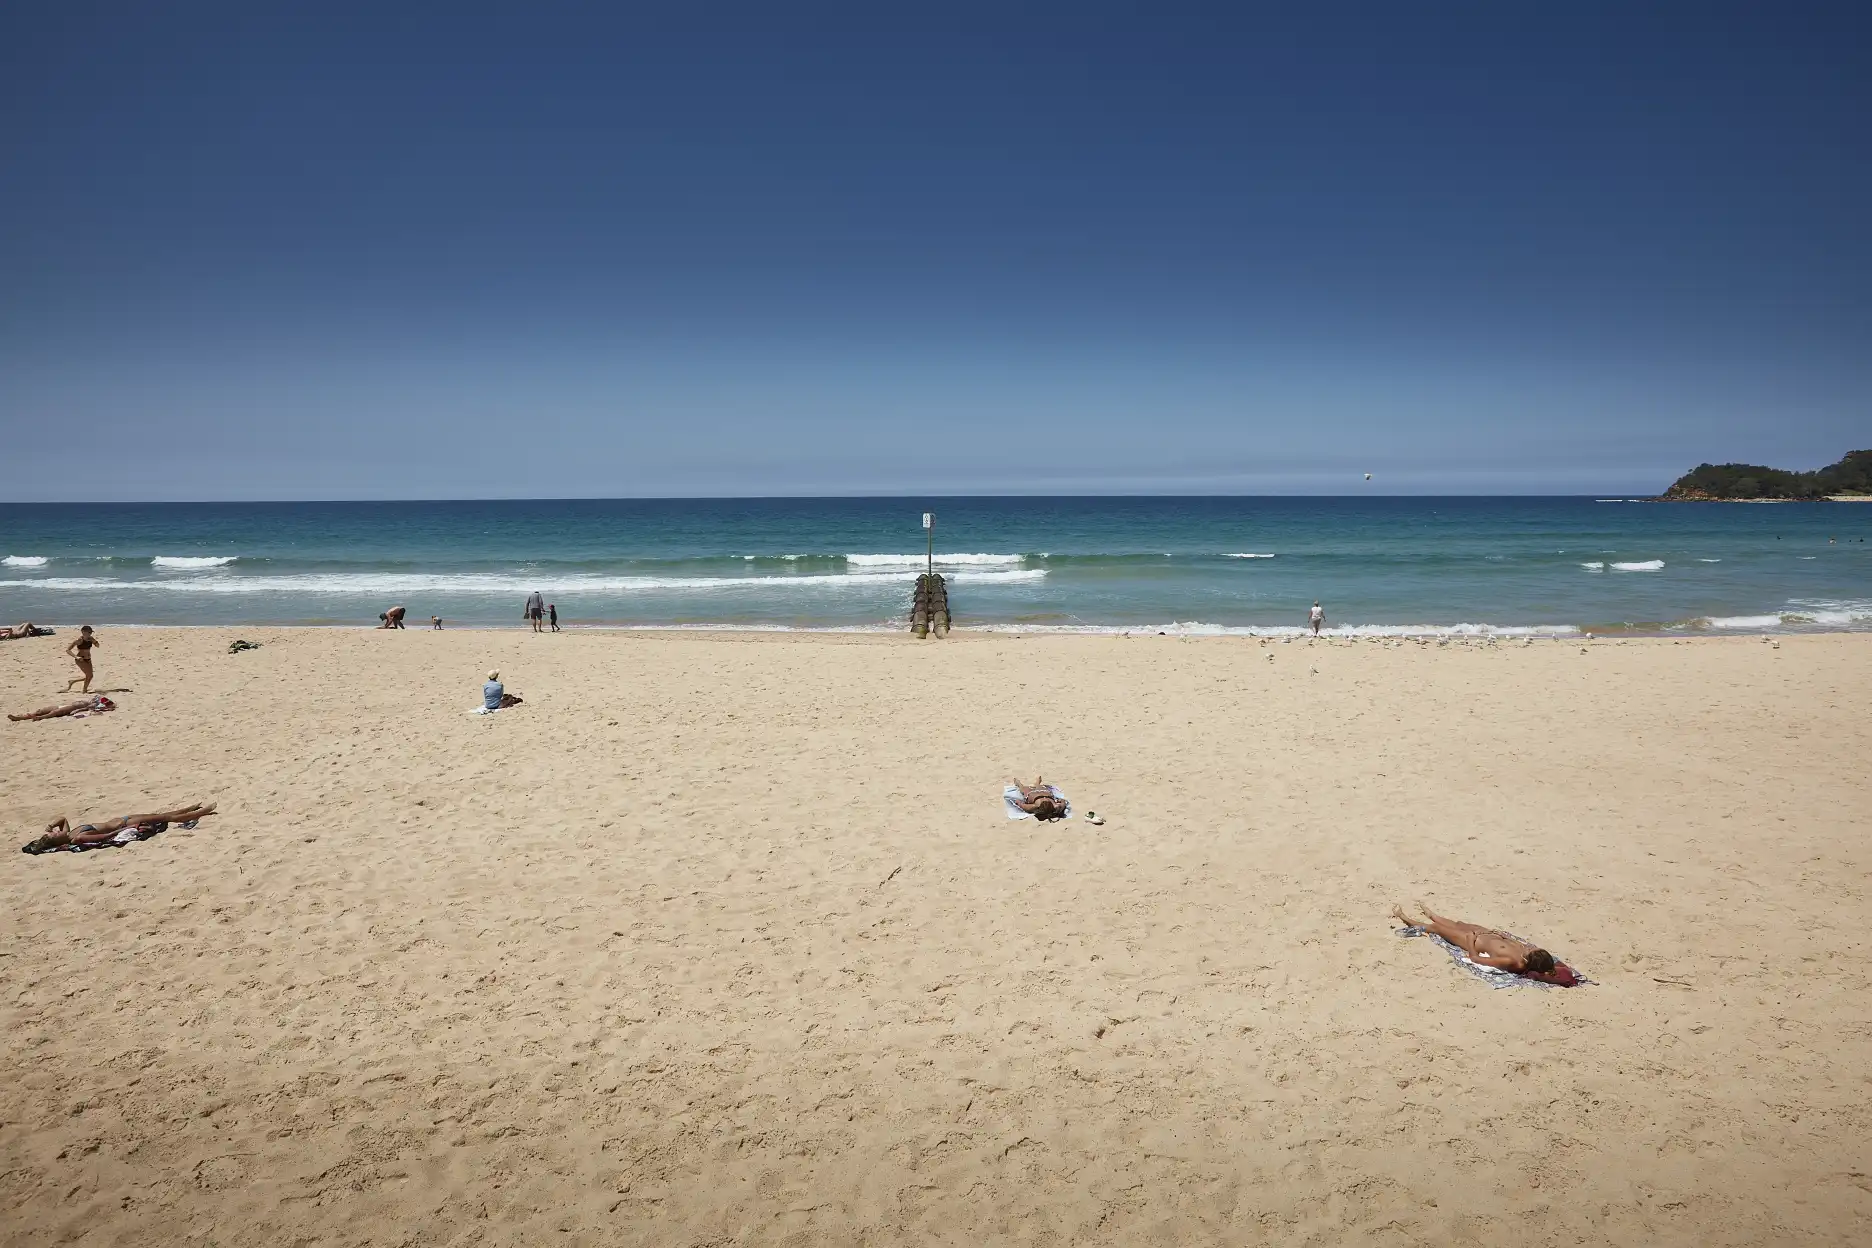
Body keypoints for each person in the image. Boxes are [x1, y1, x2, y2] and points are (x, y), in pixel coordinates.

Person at [1391, 902, 1556, 975]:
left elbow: (1475, 959)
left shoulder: (1512, 962)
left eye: (1531, 950)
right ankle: (1433, 915)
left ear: (1530, 959)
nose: (1528, 947)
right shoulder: (1525, 952)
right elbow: (1517, 944)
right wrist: (1503, 936)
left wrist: (1470, 940)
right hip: (1485, 934)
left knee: (1438, 929)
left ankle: (1406, 919)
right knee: (1458, 924)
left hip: (1472, 941)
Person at [22, 802, 216, 854]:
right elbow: (106, 836)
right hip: (124, 824)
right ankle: (200, 812)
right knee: (166, 817)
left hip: (123, 819)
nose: (56, 830)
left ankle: (189, 809)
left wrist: (49, 827)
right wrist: (123, 831)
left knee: (162, 814)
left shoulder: (69, 833)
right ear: (58, 839)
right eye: (54, 833)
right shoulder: (76, 839)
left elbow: (62, 818)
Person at [9, 694, 114, 721]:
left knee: (54, 712)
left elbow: (80, 710)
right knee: (40, 710)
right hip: (64, 705)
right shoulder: (88, 701)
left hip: (69, 708)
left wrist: (78, 710)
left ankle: (40, 718)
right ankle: (20, 717)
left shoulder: (89, 706)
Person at [64, 625, 98, 692]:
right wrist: (76, 657)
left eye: (91, 632)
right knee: (89, 676)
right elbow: (68, 650)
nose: (90, 633)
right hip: (80, 660)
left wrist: (95, 641)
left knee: (90, 676)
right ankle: (84, 690)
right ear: (83, 632)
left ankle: (72, 681)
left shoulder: (91, 639)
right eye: (89, 632)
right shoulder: (79, 640)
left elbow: (98, 646)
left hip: (88, 659)